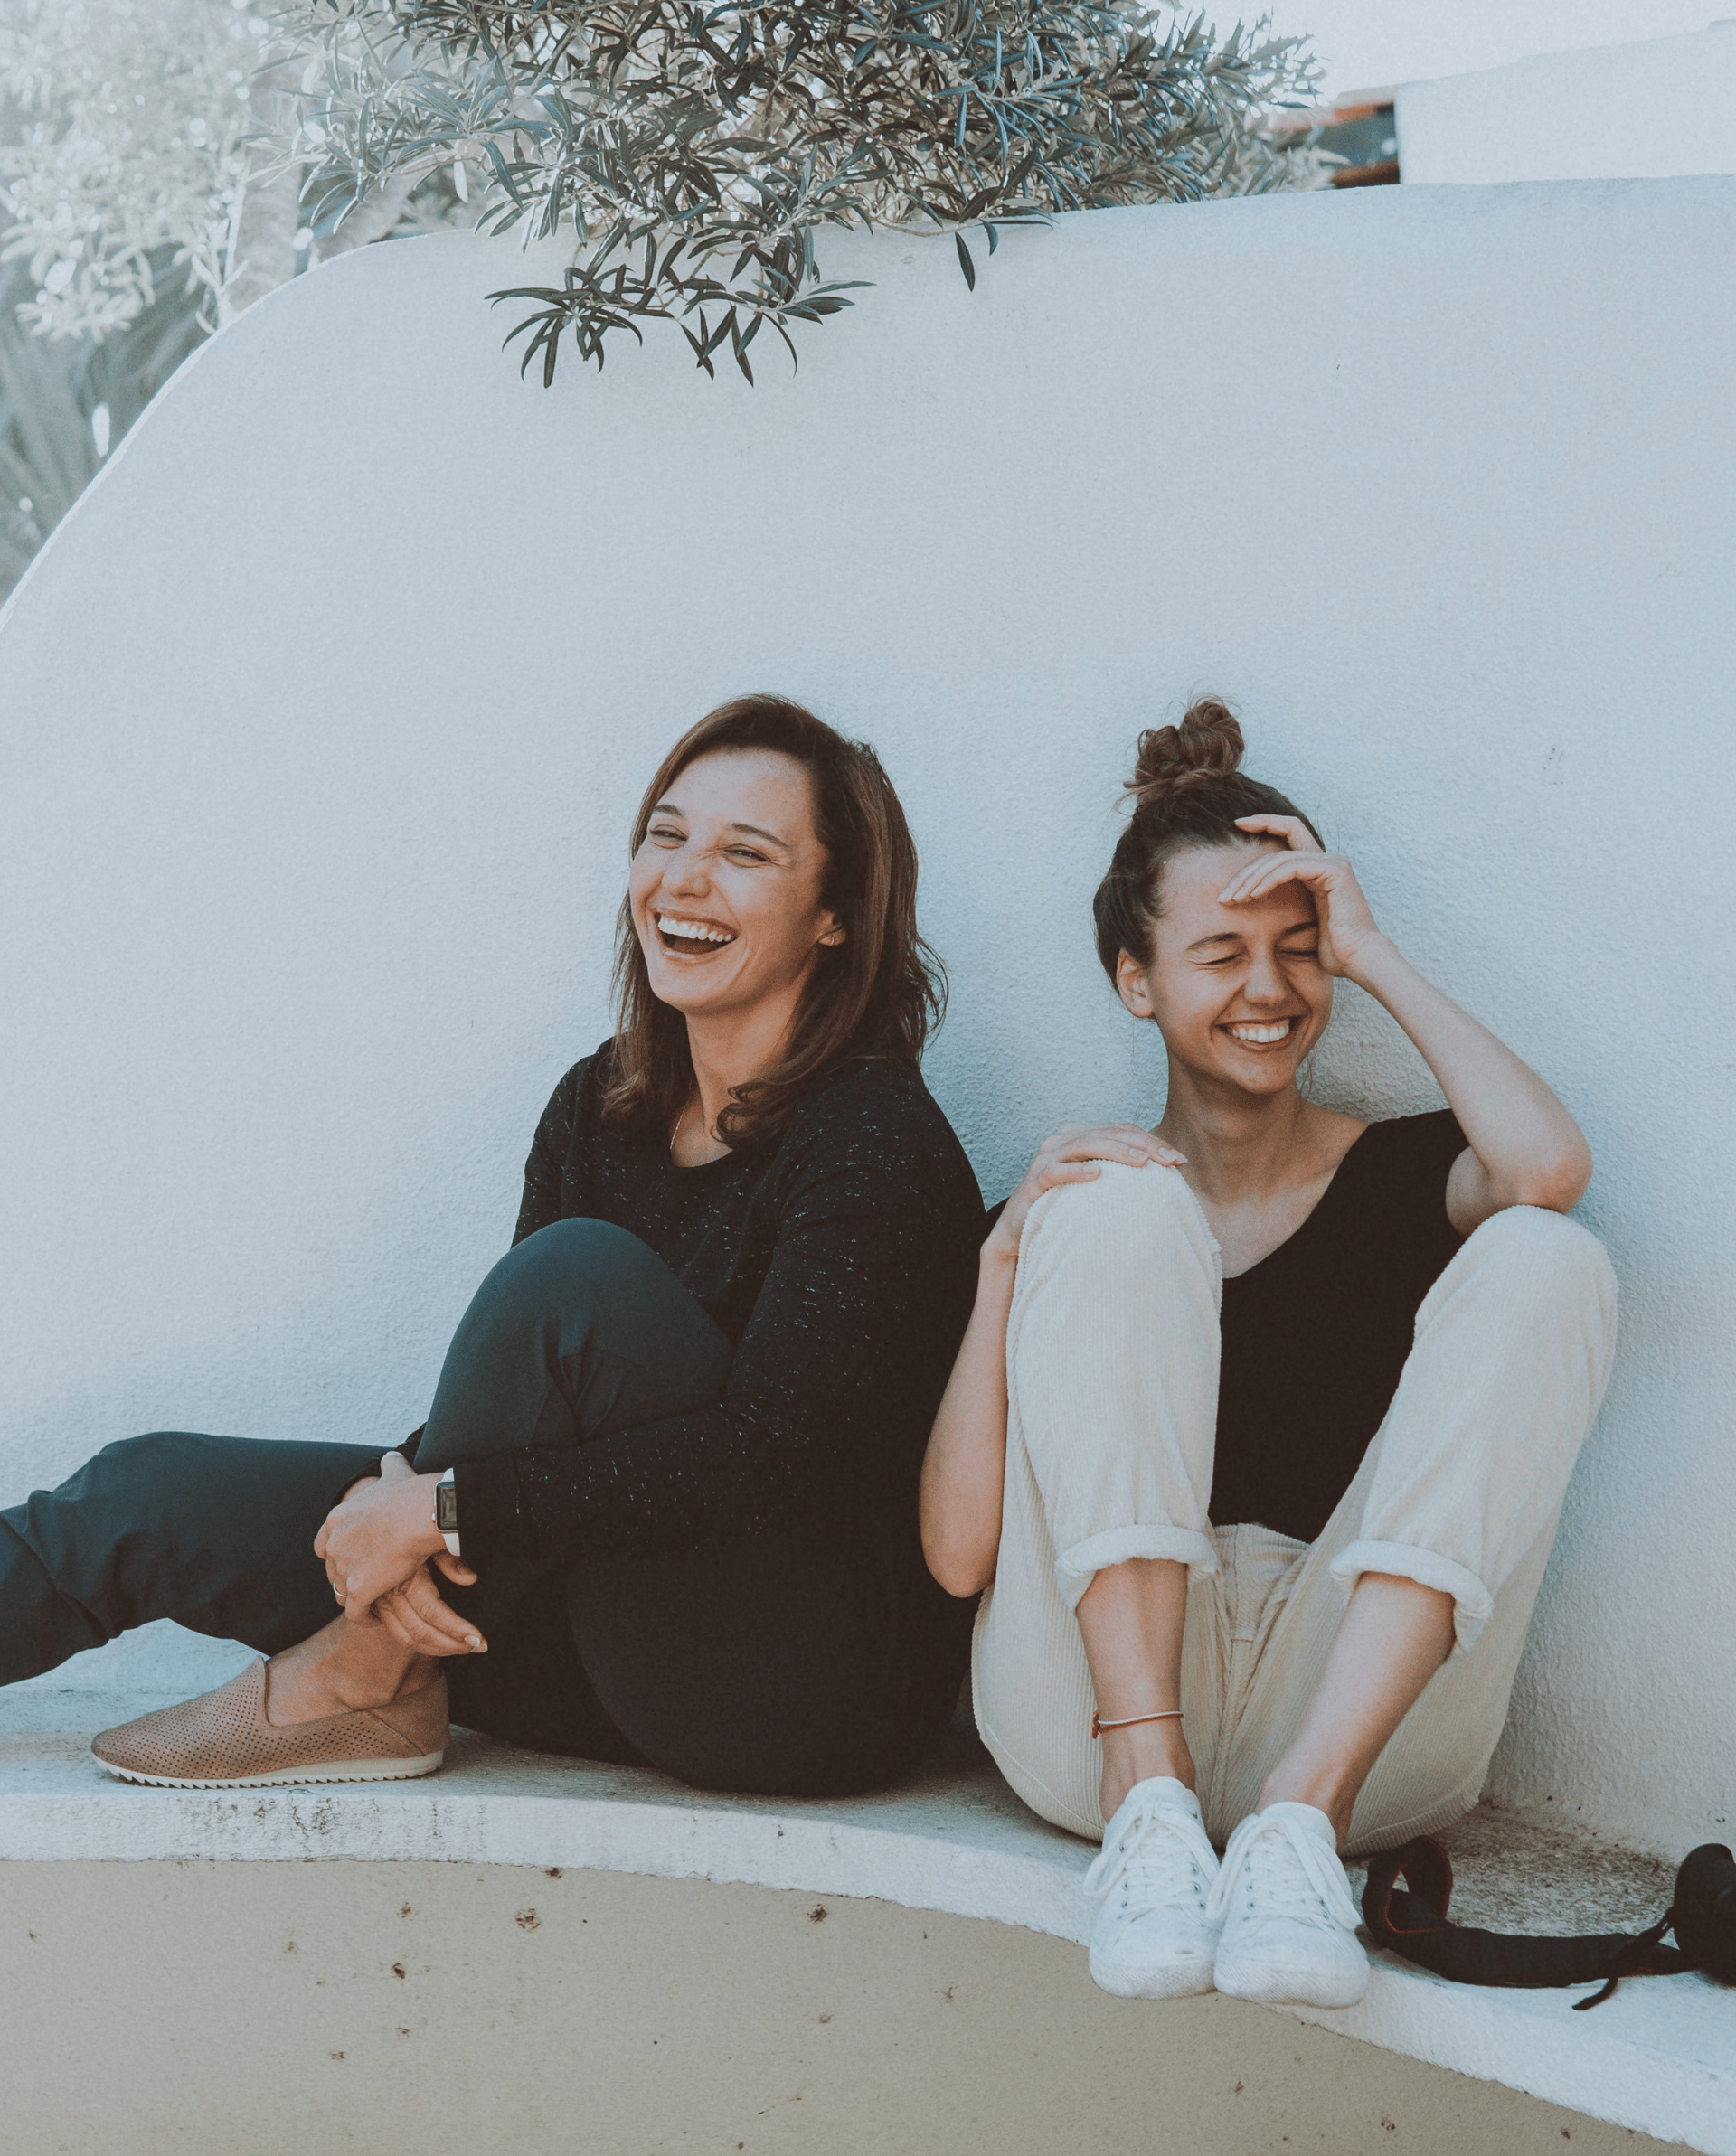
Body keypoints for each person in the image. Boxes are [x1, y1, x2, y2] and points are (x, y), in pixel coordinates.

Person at [3, 695, 983, 1799]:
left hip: (790, 1686)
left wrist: (443, 1508)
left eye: (745, 854)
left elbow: (771, 1458)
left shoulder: (873, 1142)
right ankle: (385, 1649)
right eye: (665, 836)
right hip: (580, 1623)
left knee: (571, 1278)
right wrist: (405, 1507)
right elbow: (514, 1403)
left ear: (836, 915)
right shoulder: (600, 1106)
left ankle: (366, 1674)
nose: (684, 879)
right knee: (142, 1497)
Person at [919, 698, 1617, 2010]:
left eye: (1299, 952)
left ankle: (1297, 1821)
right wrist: (1004, 1258)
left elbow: (1549, 1167)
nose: (1269, 989)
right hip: (1091, 1726)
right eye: (1222, 953)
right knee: (1113, 1200)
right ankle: (1150, 1794)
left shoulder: (1405, 1174)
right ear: (1136, 980)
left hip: (1355, 1726)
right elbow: (958, 1557)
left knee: (1548, 1254)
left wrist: (1375, 952)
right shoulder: (1076, 1214)